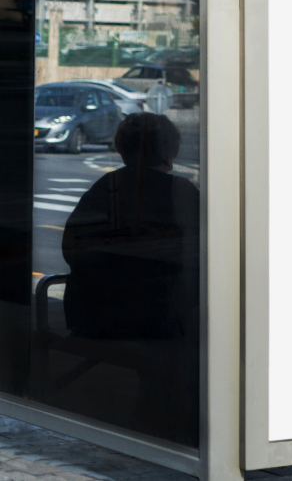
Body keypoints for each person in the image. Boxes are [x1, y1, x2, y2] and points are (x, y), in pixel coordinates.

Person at [60, 113, 199, 445]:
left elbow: (72, 248)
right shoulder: (182, 193)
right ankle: (182, 430)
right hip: (154, 318)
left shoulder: (106, 186)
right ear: (172, 150)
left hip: (93, 313)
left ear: (122, 148)